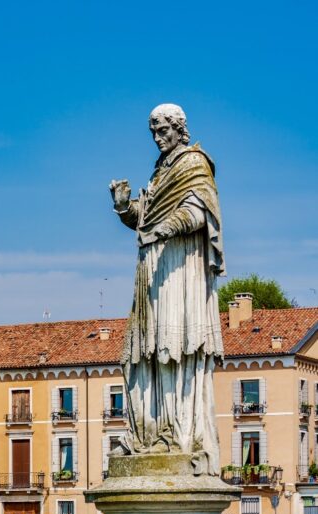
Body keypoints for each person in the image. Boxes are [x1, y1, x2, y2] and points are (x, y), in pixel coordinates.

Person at [109, 103, 225, 475]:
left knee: (174, 348)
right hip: (153, 271)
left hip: (180, 271)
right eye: (153, 132)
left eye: (163, 130)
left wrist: (166, 228)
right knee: (145, 353)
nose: (158, 138)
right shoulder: (161, 171)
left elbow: (201, 212)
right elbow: (146, 217)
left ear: (180, 128)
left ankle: (179, 434)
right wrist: (125, 207)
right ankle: (150, 432)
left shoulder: (194, 164)